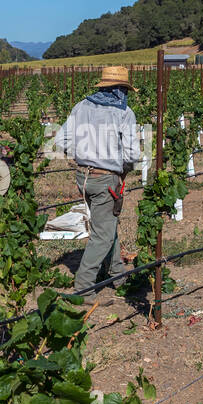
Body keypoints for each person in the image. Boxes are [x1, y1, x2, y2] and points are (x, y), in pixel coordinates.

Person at [55, 66, 142, 301]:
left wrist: (82, 155)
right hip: (106, 178)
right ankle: (83, 287)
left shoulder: (81, 106)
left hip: (83, 177)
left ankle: (117, 273)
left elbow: (60, 139)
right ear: (122, 90)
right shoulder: (125, 113)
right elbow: (132, 154)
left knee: (105, 224)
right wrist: (122, 169)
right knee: (101, 234)